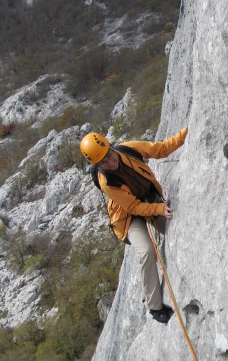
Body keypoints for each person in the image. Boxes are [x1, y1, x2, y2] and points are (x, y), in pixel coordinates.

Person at [79, 127, 188, 323]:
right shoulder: (107, 182)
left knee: (176, 226)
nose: (110, 161)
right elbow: (133, 207)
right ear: (98, 165)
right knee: (146, 250)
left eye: (110, 154)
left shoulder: (128, 149)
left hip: (149, 199)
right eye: (104, 162)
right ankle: (155, 307)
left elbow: (161, 149)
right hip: (128, 216)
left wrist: (186, 134)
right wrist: (159, 209)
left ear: (112, 147)